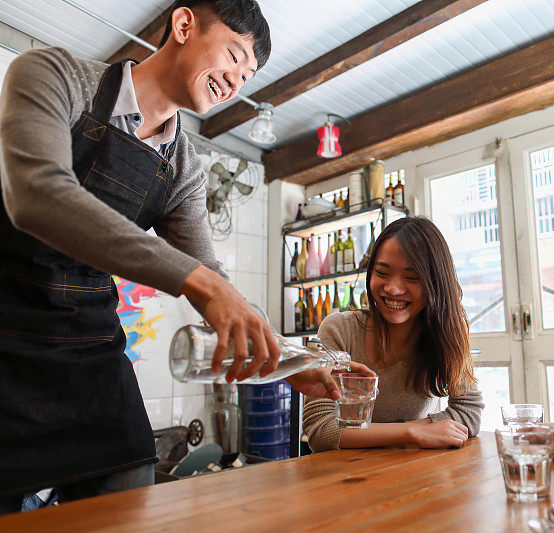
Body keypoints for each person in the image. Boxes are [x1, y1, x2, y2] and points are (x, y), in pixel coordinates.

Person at [0, 0, 368, 513]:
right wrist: (201, 283)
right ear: (183, 25)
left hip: (88, 351)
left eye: (248, 74)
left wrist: (286, 362)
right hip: (7, 335)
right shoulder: (53, 74)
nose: (235, 82)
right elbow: (38, 194)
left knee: (128, 495)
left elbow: (211, 273)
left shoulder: (184, 169)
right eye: (234, 55)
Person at [303, 217, 484, 452]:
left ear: (436, 283)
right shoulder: (339, 330)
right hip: (343, 476)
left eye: (412, 278)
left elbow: (469, 410)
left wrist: (415, 430)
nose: (393, 288)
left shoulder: (444, 334)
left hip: (410, 474)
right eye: (382, 272)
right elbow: (321, 429)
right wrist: (413, 432)